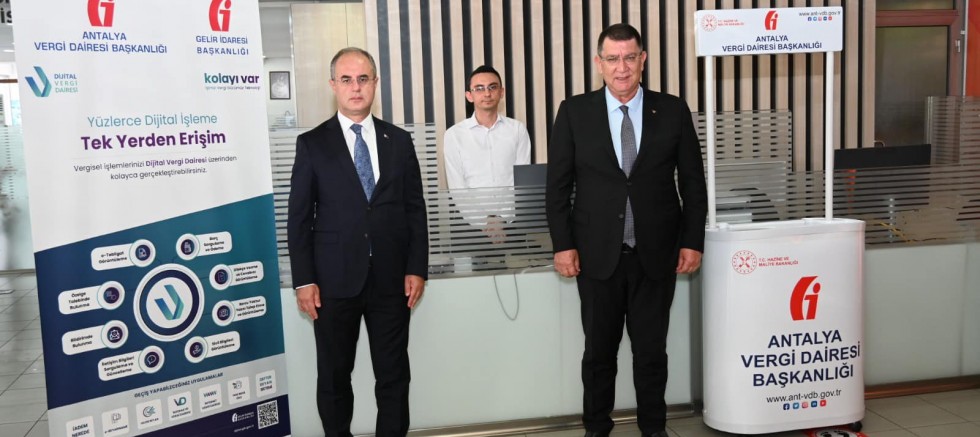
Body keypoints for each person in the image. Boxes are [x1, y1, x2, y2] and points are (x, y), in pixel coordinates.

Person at [545, 23, 707, 437]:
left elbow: (693, 182)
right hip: (596, 257)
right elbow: (558, 187)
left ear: (643, 60)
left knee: (651, 354)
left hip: (656, 255)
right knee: (598, 355)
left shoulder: (672, 110)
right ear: (599, 63)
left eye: (630, 57)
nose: (622, 68)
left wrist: (692, 241)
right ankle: (596, 429)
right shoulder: (574, 112)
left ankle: (654, 429)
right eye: (613, 59)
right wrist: (563, 245)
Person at [287, 47, 428, 437]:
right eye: (346, 79)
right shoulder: (312, 143)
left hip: (392, 280)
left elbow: (415, 209)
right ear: (333, 85)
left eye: (363, 79)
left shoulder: (399, 141)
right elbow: (299, 219)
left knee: (393, 375)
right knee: (334, 377)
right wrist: (304, 280)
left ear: (375, 84)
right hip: (332, 283)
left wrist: (417, 267)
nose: (355, 87)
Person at [444, 65, 531, 243]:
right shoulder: (453, 135)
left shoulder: (517, 130)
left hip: (513, 225)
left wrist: (501, 220)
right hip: (471, 229)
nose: (487, 93)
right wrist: (486, 221)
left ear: (501, 92)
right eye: (479, 88)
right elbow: (457, 187)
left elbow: (521, 183)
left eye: (492, 87)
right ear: (469, 95)